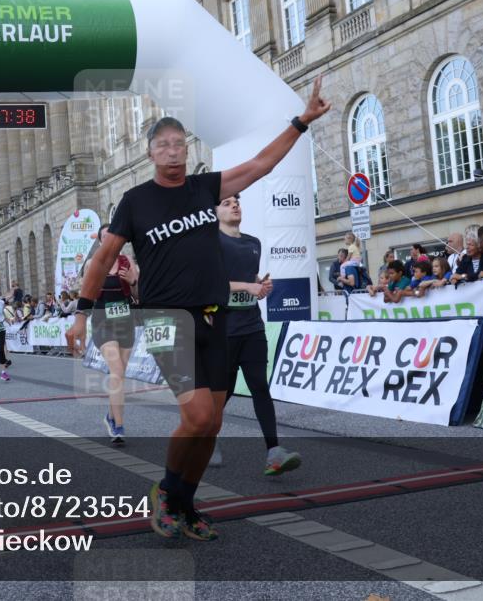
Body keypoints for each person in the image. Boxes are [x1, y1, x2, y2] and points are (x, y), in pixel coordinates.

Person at [67, 75, 331, 542]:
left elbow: (260, 165)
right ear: (151, 154)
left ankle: (183, 504)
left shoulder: (205, 188)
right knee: (198, 417)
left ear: (186, 149)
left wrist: (301, 122)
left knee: (212, 420)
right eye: (162, 146)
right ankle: (168, 494)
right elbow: (104, 258)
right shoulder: (135, 202)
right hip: (166, 318)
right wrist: (82, 314)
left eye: (178, 144)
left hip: (216, 315)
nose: (172, 151)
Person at [216, 194, 300, 475]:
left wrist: (260, 284)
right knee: (222, 393)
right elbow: (213, 284)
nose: (235, 205)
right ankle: (204, 438)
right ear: (215, 212)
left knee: (260, 388)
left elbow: (247, 280)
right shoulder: (212, 243)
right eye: (227, 203)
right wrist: (248, 287)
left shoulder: (253, 243)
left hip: (252, 326)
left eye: (237, 201)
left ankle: (273, 453)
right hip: (223, 330)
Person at [86, 223, 139, 445]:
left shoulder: (129, 263)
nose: (110, 240)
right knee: (116, 370)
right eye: (105, 237)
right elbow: (85, 293)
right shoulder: (93, 263)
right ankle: (118, 425)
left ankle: (110, 416)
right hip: (102, 322)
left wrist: (132, 282)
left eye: (113, 236)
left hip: (126, 321)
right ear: (100, 241)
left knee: (119, 376)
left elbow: (138, 295)